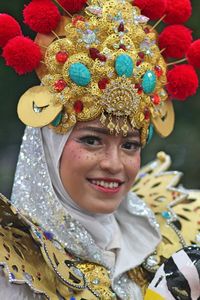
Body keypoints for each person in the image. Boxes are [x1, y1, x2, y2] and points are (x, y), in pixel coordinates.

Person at [0, 0, 199, 299]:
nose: (113, 164)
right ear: (48, 146)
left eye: (130, 145)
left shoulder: (172, 236)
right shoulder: (10, 269)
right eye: (92, 140)